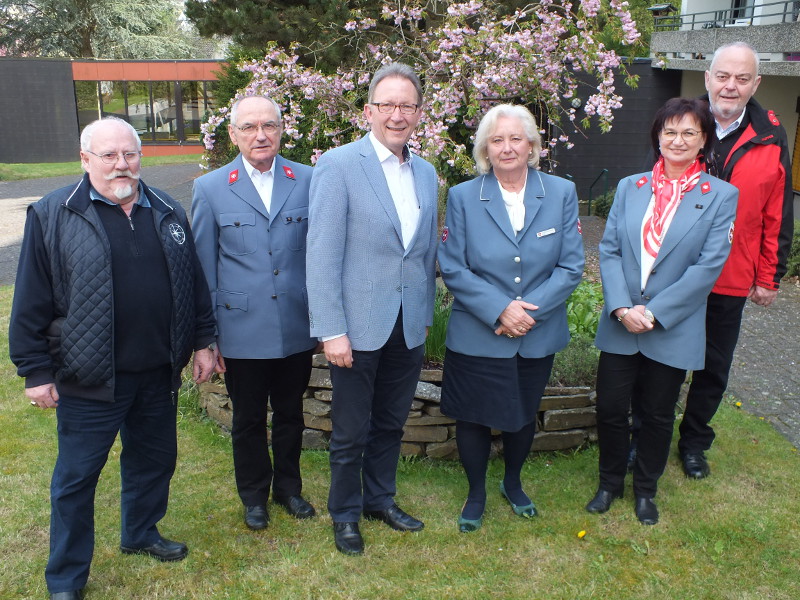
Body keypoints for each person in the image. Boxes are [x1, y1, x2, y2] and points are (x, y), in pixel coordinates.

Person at [9, 117, 217, 600]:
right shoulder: (52, 213)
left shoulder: (166, 207)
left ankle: (141, 533)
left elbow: (194, 283)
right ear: (86, 160)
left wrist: (204, 339)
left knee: (154, 461)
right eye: (109, 155)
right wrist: (35, 371)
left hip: (157, 372)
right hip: (89, 377)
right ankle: (65, 577)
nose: (122, 164)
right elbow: (30, 301)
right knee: (77, 479)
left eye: (130, 154)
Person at [306, 63, 438, 555]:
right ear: (369, 110)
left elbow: (421, 254)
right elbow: (320, 254)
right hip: (356, 327)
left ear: (418, 114)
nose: (397, 114)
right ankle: (344, 514)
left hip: (407, 325)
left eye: (407, 105)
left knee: (390, 423)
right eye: (387, 104)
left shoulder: (425, 173)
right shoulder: (339, 165)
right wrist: (331, 329)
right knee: (350, 430)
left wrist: (423, 316)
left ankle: (379, 499)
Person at [587, 98, 738, 525]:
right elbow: (610, 249)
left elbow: (708, 267)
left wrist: (653, 314)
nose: (678, 140)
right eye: (670, 131)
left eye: (689, 132)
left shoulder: (721, 196)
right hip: (621, 322)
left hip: (670, 326)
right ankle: (609, 483)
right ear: (657, 136)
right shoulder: (630, 187)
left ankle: (646, 491)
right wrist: (621, 307)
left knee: (656, 413)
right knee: (612, 408)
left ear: (703, 139)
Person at [437, 104, 584, 532]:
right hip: (478, 331)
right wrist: (500, 309)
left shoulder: (560, 193)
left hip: (536, 331)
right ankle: (476, 491)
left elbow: (571, 266)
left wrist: (524, 314)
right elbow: (454, 265)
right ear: (485, 147)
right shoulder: (465, 196)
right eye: (497, 140)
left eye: (516, 138)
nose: (507, 147)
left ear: (533, 145)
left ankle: (513, 483)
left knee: (522, 413)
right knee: (473, 416)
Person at [191, 95, 317, 531]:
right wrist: (206, 339)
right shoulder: (210, 188)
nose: (260, 135)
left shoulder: (307, 179)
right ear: (233, 134)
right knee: (247, 420)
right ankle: (253, 497)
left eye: (269, 126)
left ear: (282, 130)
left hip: (296, 326)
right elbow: (203, 269)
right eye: (248, 127)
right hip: (240, 330)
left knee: (291, 415)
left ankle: (288, 488)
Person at [676, 42, 794, 479]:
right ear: (707, 77)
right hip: (675, 273)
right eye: (723, 76)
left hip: (731, 275)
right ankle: (646, 434)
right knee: (660, 361)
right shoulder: (682, 124)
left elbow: (776, 210)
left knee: (712, 366)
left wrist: (769, 276)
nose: (731, 86)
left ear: (756, 84)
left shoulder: (770, 133)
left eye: (742, 78)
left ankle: (693, 443)